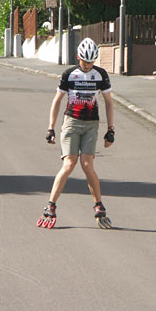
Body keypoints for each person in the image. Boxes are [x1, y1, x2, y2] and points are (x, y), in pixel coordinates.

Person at [38, 38, 115, 229]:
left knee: (87, 165)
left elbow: (109, 102)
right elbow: (57, 101)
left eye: (91, 62)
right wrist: (51, 127)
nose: (88, 65)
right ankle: (50, 206)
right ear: (79, 57)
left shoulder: (101, 75)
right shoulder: (70, 74)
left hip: (91, 124)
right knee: (70, 163)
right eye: (84, 61)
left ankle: (99, 206)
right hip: (71, 122)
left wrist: (110, 130)